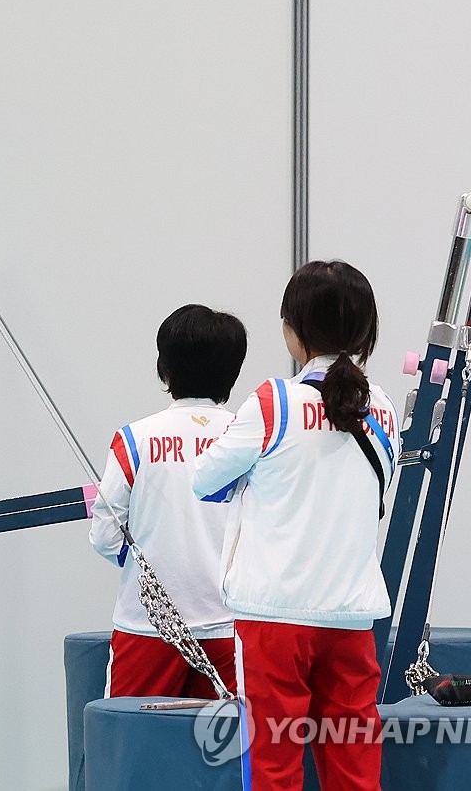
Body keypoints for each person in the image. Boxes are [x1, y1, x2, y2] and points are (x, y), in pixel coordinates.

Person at [193, 260, 398, 790]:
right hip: (351, 616)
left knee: (273, 768)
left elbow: (204, 481)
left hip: (273, 616)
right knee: (355, 769)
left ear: (291, 329)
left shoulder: (272, 402)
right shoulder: (386, 411)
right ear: (366, 332)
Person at [90, 304, 247, 700]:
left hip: (148, 627)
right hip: (230, 629)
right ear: (232, 371)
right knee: (226, 757)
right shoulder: (250, 439)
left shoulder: (134, 438)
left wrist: (151, 561)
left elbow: (105, 535)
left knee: (130, 754)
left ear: (165, 369)